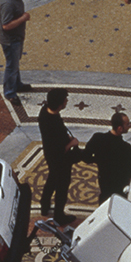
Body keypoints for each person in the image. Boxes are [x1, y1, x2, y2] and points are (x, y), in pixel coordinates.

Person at [38, 88, 80, 226]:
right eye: (65, 100)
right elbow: (59, 150)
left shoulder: (44, 112)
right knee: (62, 186)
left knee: (52, 178)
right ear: (59, 104)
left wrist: (65, 137)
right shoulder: (53, 123)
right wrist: (71, 143)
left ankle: (44, 205)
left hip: (49, 155)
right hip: (59, 158)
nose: (67, 101)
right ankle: (59, 216)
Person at [82, 113, 131, 204]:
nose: (129, 126)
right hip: (120, 186)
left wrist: (98, 159)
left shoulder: (97, 138)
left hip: (104, 181)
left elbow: (85, 157)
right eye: (127, 124)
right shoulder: (127, 149)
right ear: (120, 128)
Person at [0, 0, 33, 102]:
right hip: (10, 40)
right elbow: (5, 26)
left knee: (14, 64)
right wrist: (23, 18)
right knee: (11, 66)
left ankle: (17, 84)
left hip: (16, 37)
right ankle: (10, 93)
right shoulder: (7, 3)